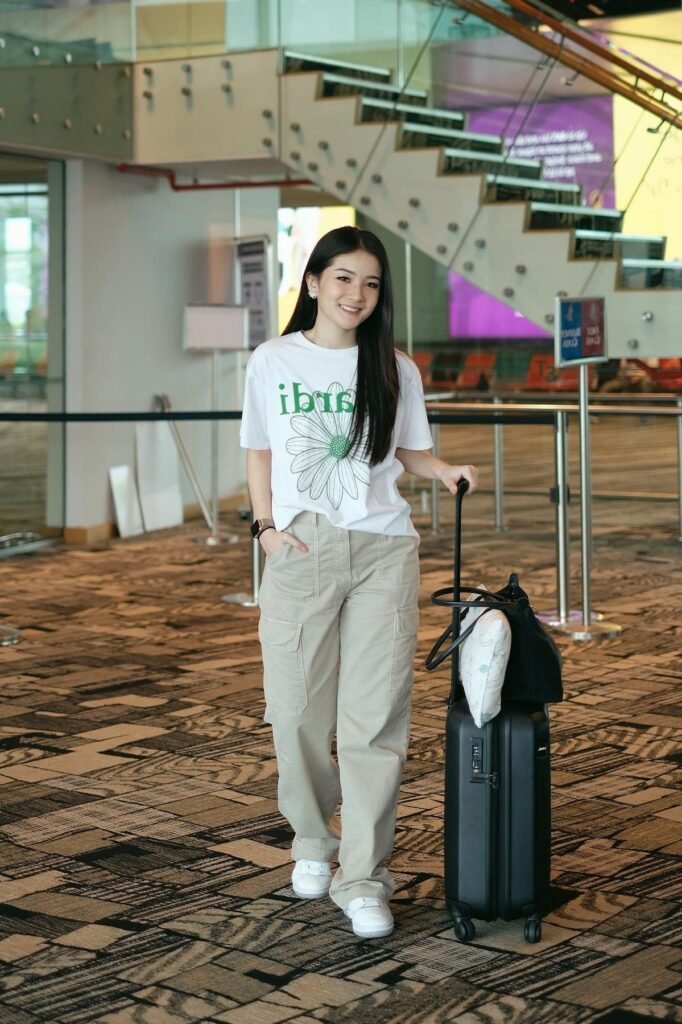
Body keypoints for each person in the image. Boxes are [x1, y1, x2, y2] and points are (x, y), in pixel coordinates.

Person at [240, 226, 478, 940]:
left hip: (381, 550)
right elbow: (258, 449)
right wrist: (265, 529)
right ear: (312, 282)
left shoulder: (393, 366)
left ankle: (364, 874)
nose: (356, 295)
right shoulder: (272, 359)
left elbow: (408, 446)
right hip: (300, 547)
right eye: (343, 278)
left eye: (371, 284)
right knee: (295, 711)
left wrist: (440, 471)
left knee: (375, 719)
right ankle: (313, 839)